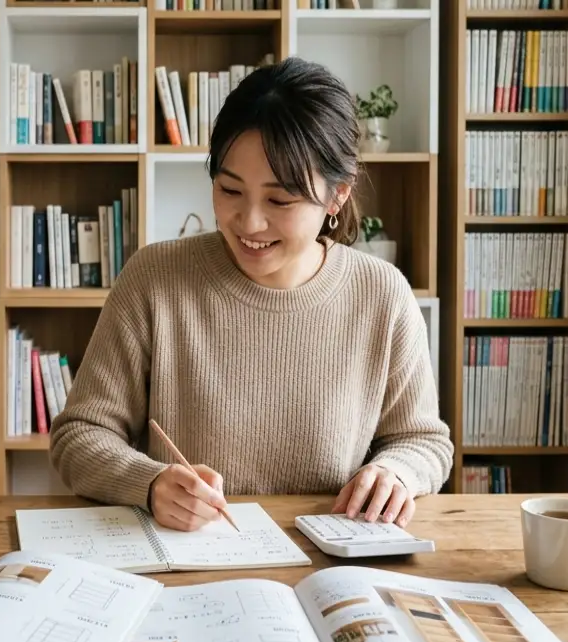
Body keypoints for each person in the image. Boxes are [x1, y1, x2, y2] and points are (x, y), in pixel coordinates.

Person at [47, 57, 453, 532]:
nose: (249, 223)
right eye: (229, 190)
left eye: (279, 200)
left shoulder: (383, 296)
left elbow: (424, 440)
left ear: (337, 196)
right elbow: (79, 436)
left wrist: (395, 472)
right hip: (189, 563)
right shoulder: (154, 279)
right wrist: (150, 482)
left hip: (329, 568)